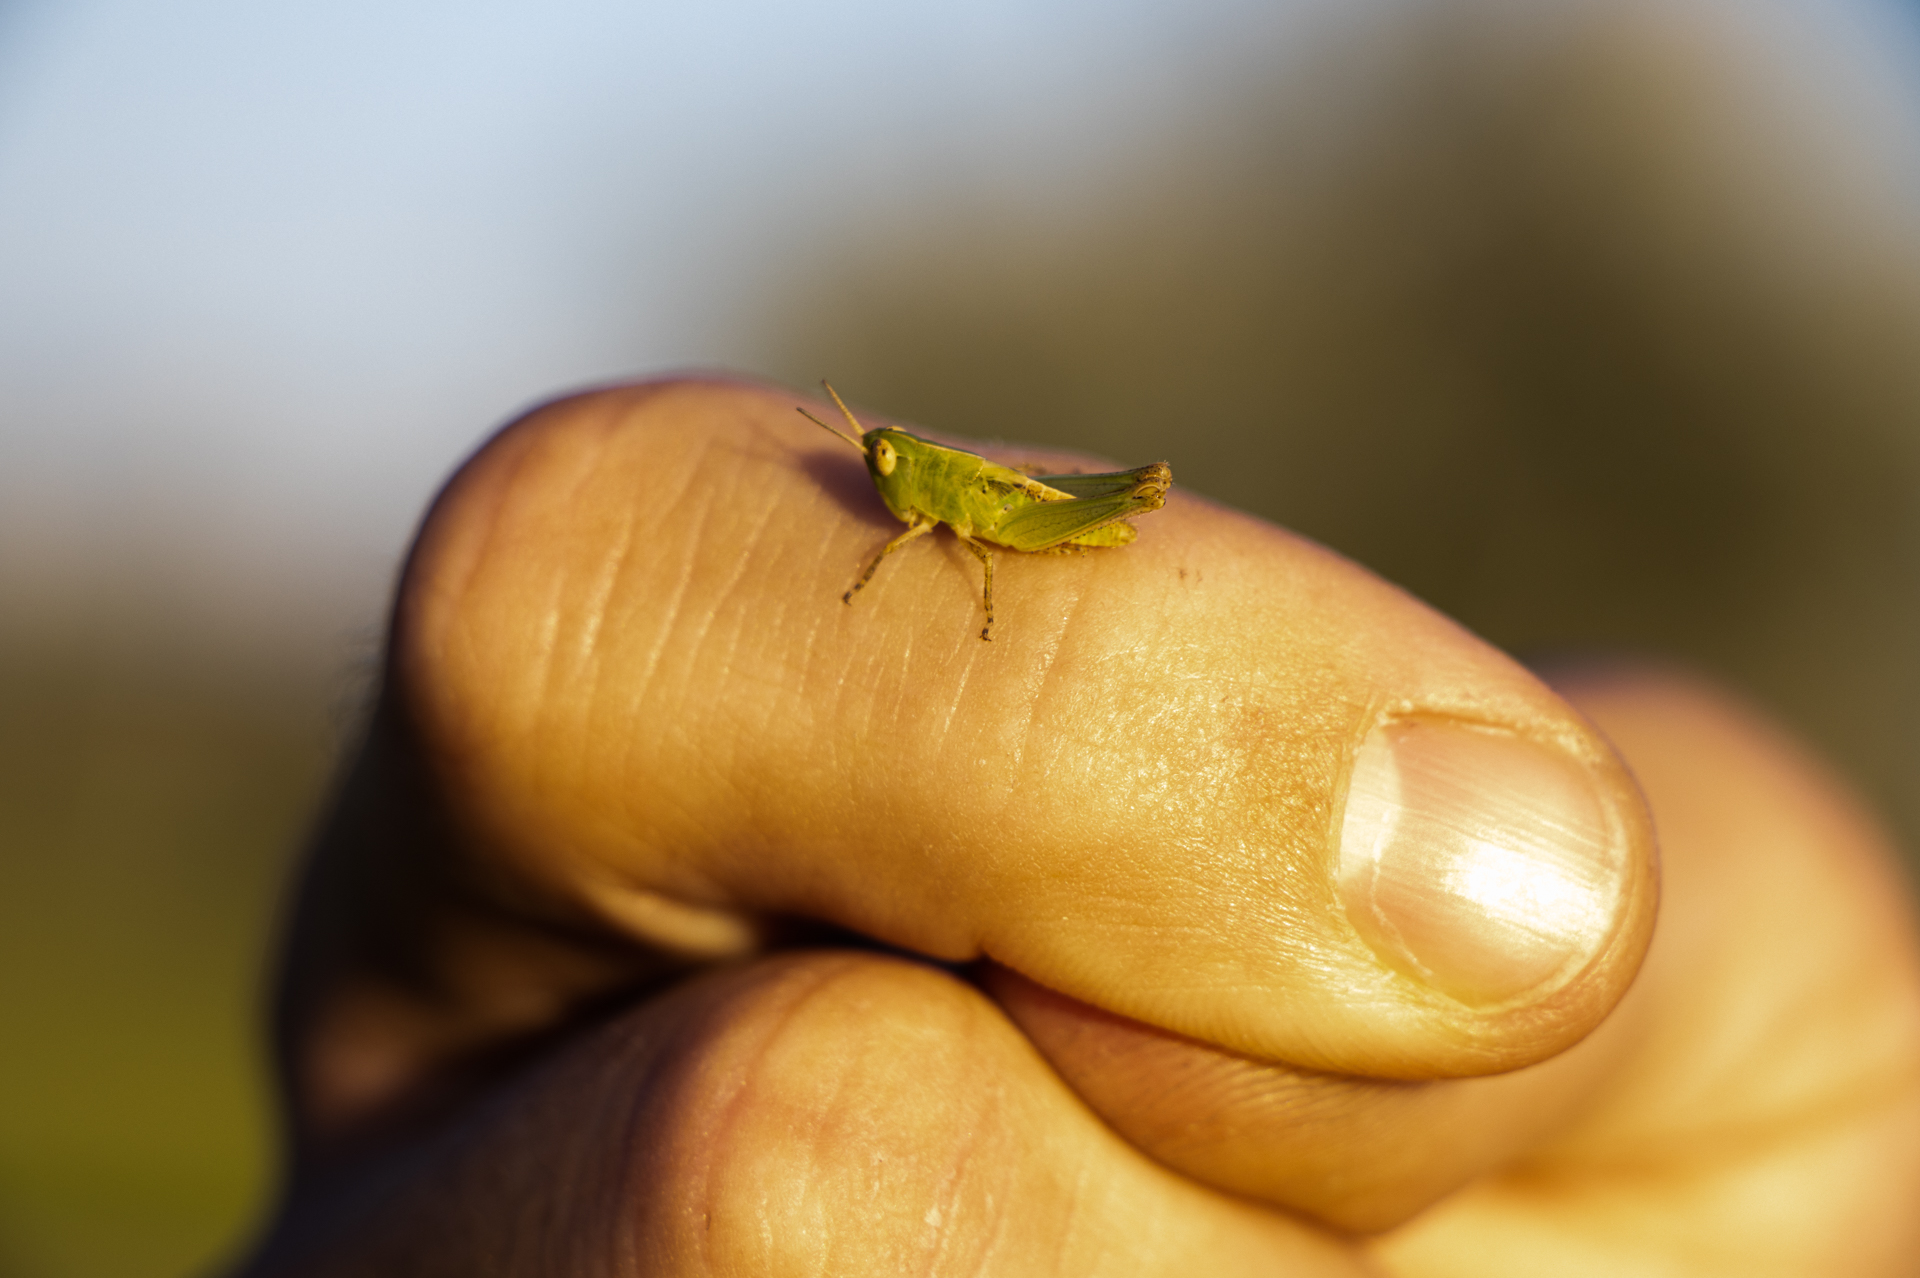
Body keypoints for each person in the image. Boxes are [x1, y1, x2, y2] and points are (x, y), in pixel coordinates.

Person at [232, 378, 1920, 1275]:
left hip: (1063, 532)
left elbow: (963, 545)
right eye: (879, 458)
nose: (885, 476)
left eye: (888, 454)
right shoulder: (902, 494)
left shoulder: (954, 508)